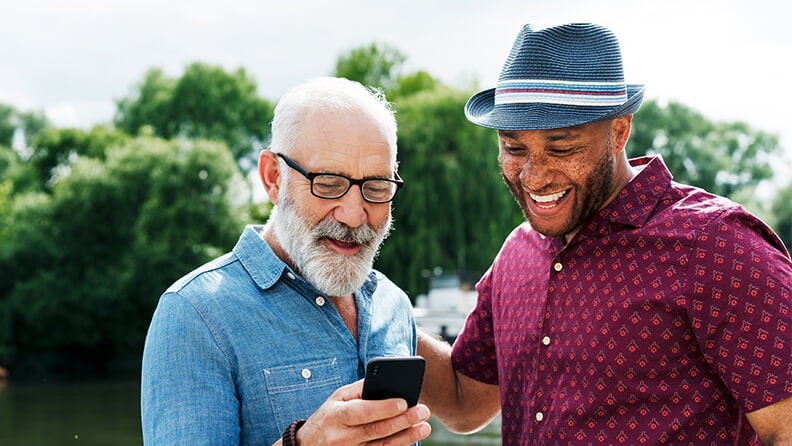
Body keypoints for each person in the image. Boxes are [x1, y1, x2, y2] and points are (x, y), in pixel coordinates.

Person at [417, 23, 792, 445]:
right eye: (514, 147)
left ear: (619, 130)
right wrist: (366, 306)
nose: (534, 176)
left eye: (562, 148)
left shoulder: (718, 246)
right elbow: (464, 402)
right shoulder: (515, 254)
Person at [141, 77, 431, 446]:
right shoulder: (195, 314)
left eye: (376, 188)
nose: (355, 215)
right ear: (273, 178)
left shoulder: (393, 304)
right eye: (328, 183)